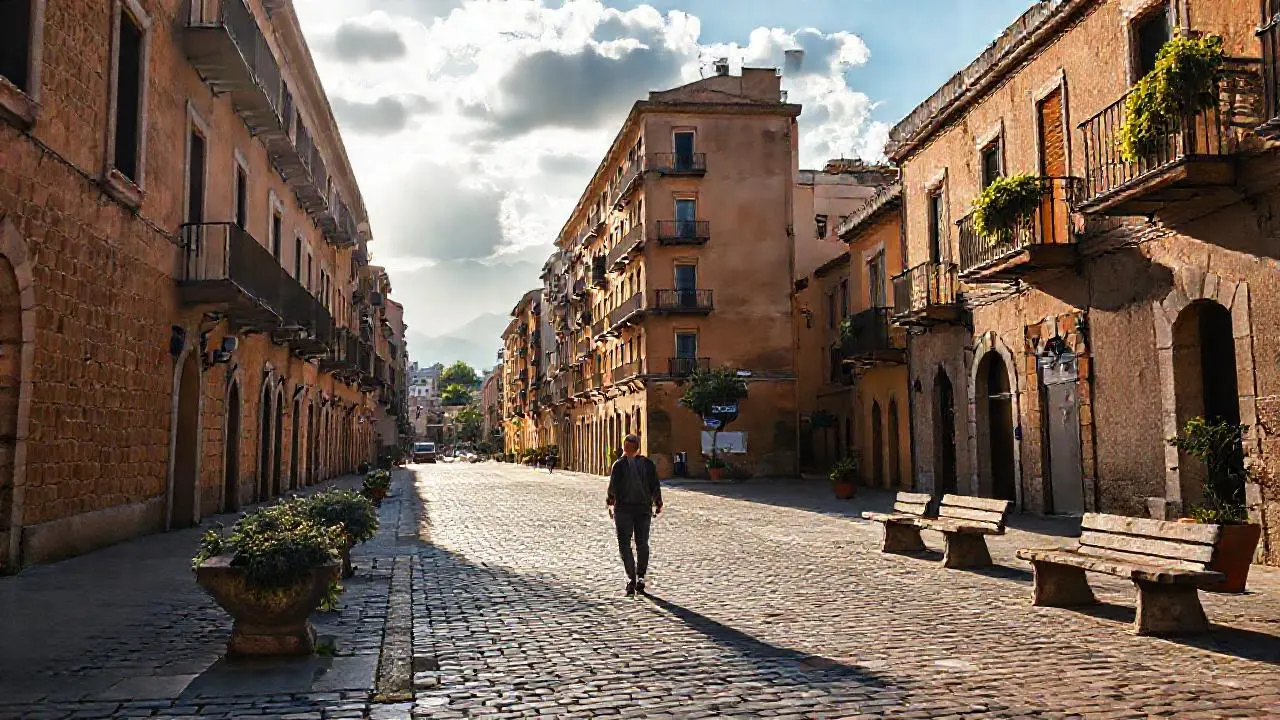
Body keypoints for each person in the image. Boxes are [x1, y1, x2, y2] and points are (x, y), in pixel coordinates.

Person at [606, 434, 662, 596]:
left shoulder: (619, 465)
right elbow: (655, 486)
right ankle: (641, 577)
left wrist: (610, 502)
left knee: (625, 544)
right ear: (638, 448)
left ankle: (632, 578)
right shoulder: (648, 465)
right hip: (643, 509)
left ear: (624, 448)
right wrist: (658, 503)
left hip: (623, 509)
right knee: (642, 543)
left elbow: (612, 489)